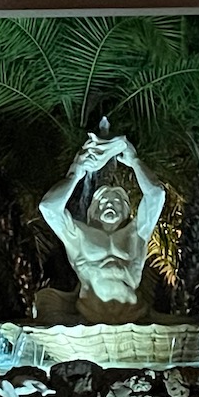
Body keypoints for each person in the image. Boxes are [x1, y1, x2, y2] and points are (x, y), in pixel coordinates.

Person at [37, 132, 167, 324]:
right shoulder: (78, 235)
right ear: (92, 211)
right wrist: (76, 171)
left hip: (134, 317)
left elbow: (156, 194)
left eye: (116, 201)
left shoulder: (136, 233)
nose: (109, 205)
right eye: (103, 201)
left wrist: (134, 161)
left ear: (126, 209)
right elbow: (48, 207)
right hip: (89, 319)